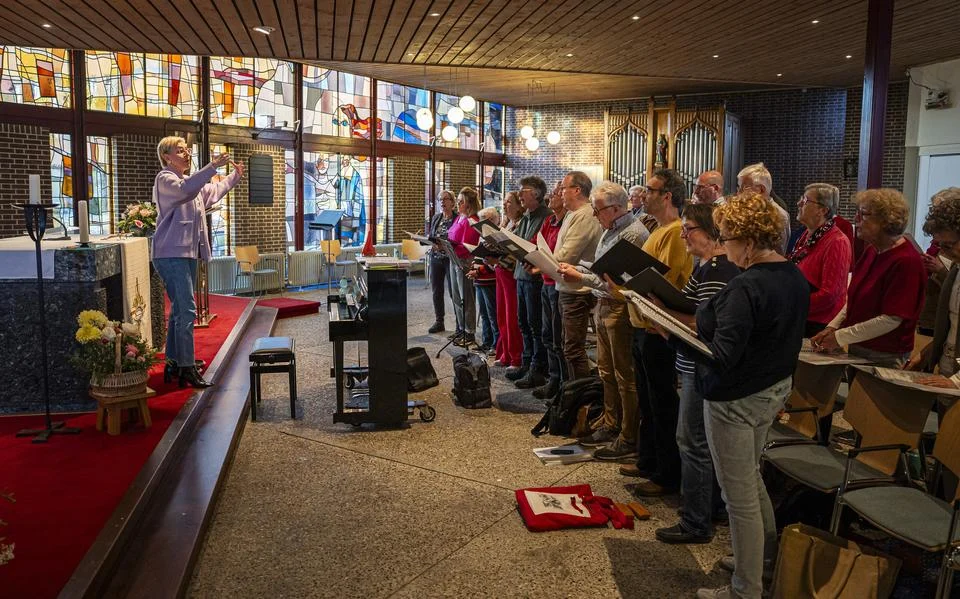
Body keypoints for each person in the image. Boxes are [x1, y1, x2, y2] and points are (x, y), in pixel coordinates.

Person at [670, 192, 809, 599]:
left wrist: (671, 333)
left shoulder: (747, 285)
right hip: (771, 389)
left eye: (727, 238)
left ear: (748, 241)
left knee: (738, 495)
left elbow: (722, 356)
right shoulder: (793, 274)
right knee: (750, 478)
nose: (723, 246)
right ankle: (762, 560)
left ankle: (745, 590)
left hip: (736, 399)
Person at [653, 203, 740, 545]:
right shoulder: (705, 266)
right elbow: (691, 308)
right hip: (693, 364)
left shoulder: (718, 270)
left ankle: (695, 520)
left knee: (692, 442)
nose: (684, 236)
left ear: (711, 232)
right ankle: (709, 507)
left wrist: (661, 312)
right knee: (697, 440)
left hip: (701, 366)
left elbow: (703, 323)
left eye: (689, 229)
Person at [557, 181, 649, 461]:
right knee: (606, 372)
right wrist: (581, 268)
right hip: (603, 305)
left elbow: (615, 281)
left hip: (619, 308)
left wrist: (580, 276)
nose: (595, 215)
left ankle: (628, 434)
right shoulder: (611, 229)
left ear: (616, 208)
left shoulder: (632, 234)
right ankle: (610, 423)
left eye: (598, 210)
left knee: (624, 375)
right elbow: (601, 268)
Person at [153, 136, 243, 388]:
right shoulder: (166, 179)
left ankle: (175, 362)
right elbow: (185, 190)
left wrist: (234, 176)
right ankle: (186, 366)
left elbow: (213, 191)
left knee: (180, 311)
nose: (186, 153)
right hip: (171, 254)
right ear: (167, 156)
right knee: (188, 310)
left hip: (187, 254)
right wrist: (212, 166)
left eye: (187, 150)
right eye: (180, 150)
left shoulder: (189, 182)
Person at [627, 169, 694, 495]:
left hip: (659, 330)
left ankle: (666, 474)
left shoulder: (676, 232)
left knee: (662, 402)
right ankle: (648, 460)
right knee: (647, 399)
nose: (644, 195)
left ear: (667, 196)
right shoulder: (656, 229)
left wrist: (632, 283)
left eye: (650, 190)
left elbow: (664, 281)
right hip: (643, 325)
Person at [811, 189, 926, 366]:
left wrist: (840, 337)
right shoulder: (872, 250)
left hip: (885, 353)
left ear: (886, 221)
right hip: (860, 345)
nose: (856, 219)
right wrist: (832, 327)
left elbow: (892, 319)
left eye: (863, 214)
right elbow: (854, 299)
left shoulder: (906, 261)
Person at [907, 189, 960, 394]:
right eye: (940, 245)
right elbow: (952, 327)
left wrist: (957, 381)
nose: (944, 251)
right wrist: (928, 353)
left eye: (949, 244)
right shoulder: (955, 268)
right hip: (948, 369)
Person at [553, 171, 604, 379]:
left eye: (563, 188)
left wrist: (541, 259)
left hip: (578, 290)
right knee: (566, 345)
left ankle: (581, 394)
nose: (560, 193)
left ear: (577, 190)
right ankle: (569, 389)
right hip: (567, 286)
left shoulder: (585, 215)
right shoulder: (572, 214)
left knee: (573, 349)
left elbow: (567, 255)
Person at [789, 183, 852, 337]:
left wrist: (791, 304)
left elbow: (829, 295)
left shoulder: (837, 242)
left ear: (823, 210)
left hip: (818, 325)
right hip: (801, 315)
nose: (799, 203)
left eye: (805, 200)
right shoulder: (807, 235)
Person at [509, 176, 552, 389]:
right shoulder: (526, 215)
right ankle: (526, 363)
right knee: (523, 322)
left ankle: (538, 368)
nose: (519, 194)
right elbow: (517, 239)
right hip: (521, 274)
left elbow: (538, 246)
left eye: (523, 190)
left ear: (536, 193)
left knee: (535, 325)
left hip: (535, 277)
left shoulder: (546, 216)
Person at [532, 181, 568, 399]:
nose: (550, 197)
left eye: (555, 193)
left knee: (558, 336)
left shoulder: (567, 222)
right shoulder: (549, 220)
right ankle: (553, 378)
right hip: (545, 281)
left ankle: (562, 383)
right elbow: (540, 244)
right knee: (547, 333)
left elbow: (559, 252)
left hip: (558, 282)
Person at [446, 187, 482, 349]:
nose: (458, 204)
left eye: (461, 201)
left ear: (469, 204)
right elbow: (451, 234)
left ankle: (469, 332)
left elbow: (468, 244)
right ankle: (461, 329)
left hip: (465, 261)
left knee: (466, 298)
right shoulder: (460, 218)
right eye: (458, 201)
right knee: (456, 297)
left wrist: (451, 246)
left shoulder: (472, 220)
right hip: (454, 259)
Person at [493, 192, 524, 368]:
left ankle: (515, 356)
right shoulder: (506, 223)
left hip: (511, 274)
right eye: (504, 202)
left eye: (509, 202)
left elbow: (516, 253)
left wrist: (497, 259)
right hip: (500, 272)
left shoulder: (521, 224)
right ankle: (505, 352)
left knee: (512, 317)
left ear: (519, 206)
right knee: (501, 316)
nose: (505, 205)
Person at [737, 163, 791, 255]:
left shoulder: (778, 215)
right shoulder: (749, 209)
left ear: (761, 189)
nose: (739, 193)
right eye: (739, 187)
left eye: (744, 187)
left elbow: (777, 254)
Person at [469, 206, 500, 354]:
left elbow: (493, 263)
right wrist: (473, 266)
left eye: (484, 220)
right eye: (480, 220)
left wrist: (478, 270)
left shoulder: (495, 236)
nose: (481, 223)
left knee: (492, 314)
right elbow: (480, 256)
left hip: (489, 280)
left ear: (493, 220)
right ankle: (486, 341)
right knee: (484, 314)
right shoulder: (483, 236)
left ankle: (496, 344)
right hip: (479, 280)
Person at [427, 190, 457, 334]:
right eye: (440, 199)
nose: (442, 202)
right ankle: (439, 321)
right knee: (436, 291)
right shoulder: (436, 217)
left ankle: (460, 324)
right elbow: (432, 235)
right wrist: (431, 243)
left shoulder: (457, 219)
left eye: (445, 199)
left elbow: (457, 240)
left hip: (450, 259)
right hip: (436, 258)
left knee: (453, 291)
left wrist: (444, 246)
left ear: (452, 202)